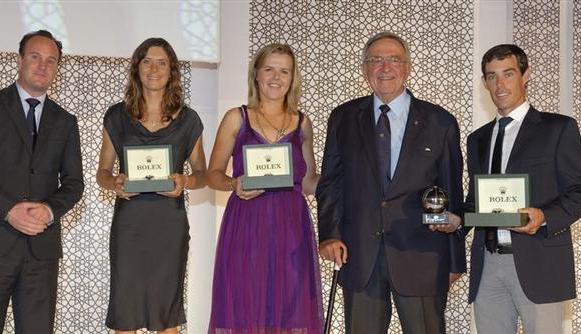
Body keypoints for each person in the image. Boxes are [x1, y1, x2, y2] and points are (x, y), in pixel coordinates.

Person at [316, 31, 465, 334]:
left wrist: (454, 260)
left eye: (394, 60)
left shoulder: (441, 122)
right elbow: (331, 182)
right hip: (359, 255)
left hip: (423, 257)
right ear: (364, 69)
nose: (385, 67)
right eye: (376, 60)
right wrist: (329, 234)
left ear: (407, 68)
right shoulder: (342, 118)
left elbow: (452, 192)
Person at [0, 30, 84, 333]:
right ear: (20, 59)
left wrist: (49, 211)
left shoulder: (65, 121)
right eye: (35, 56)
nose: (42, 65)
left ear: (57, 69)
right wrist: (9, 210)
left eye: (51, 61)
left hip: (41, 251)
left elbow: (74, 183)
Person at [463, 44, 581, 334]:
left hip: (540, 262)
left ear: (526, 75)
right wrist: (453, 223)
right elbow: (475, 202)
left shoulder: (558, 128)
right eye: (491, 76)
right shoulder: (477, 139)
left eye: (508, 74)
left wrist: (543, 216)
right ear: (484, 82)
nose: (500, 84)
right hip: (488, 265)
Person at [206, 43, 323, 333]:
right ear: (256, 74)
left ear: (292, 78)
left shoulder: (303, 124)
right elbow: (212, 175)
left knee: (290, 312)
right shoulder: (237, 117)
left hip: (292, 228)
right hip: (246, 225)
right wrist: (233, 183)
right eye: (269, 69)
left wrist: (344, 179)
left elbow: (309, 182)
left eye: (284, 71)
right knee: (245, 307)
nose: (276, 77)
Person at [96, 37, 206, 334]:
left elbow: (203, 174)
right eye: (147, 61)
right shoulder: (116, 116)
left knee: (166, 315)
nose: (154, 69)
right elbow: (102, 173)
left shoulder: (188, 119)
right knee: (125, 312)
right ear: (136, 69)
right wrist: (115, 183)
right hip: (129, 226)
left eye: (162, 62)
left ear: (172, 71)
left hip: (169, 226)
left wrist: (185, 181)